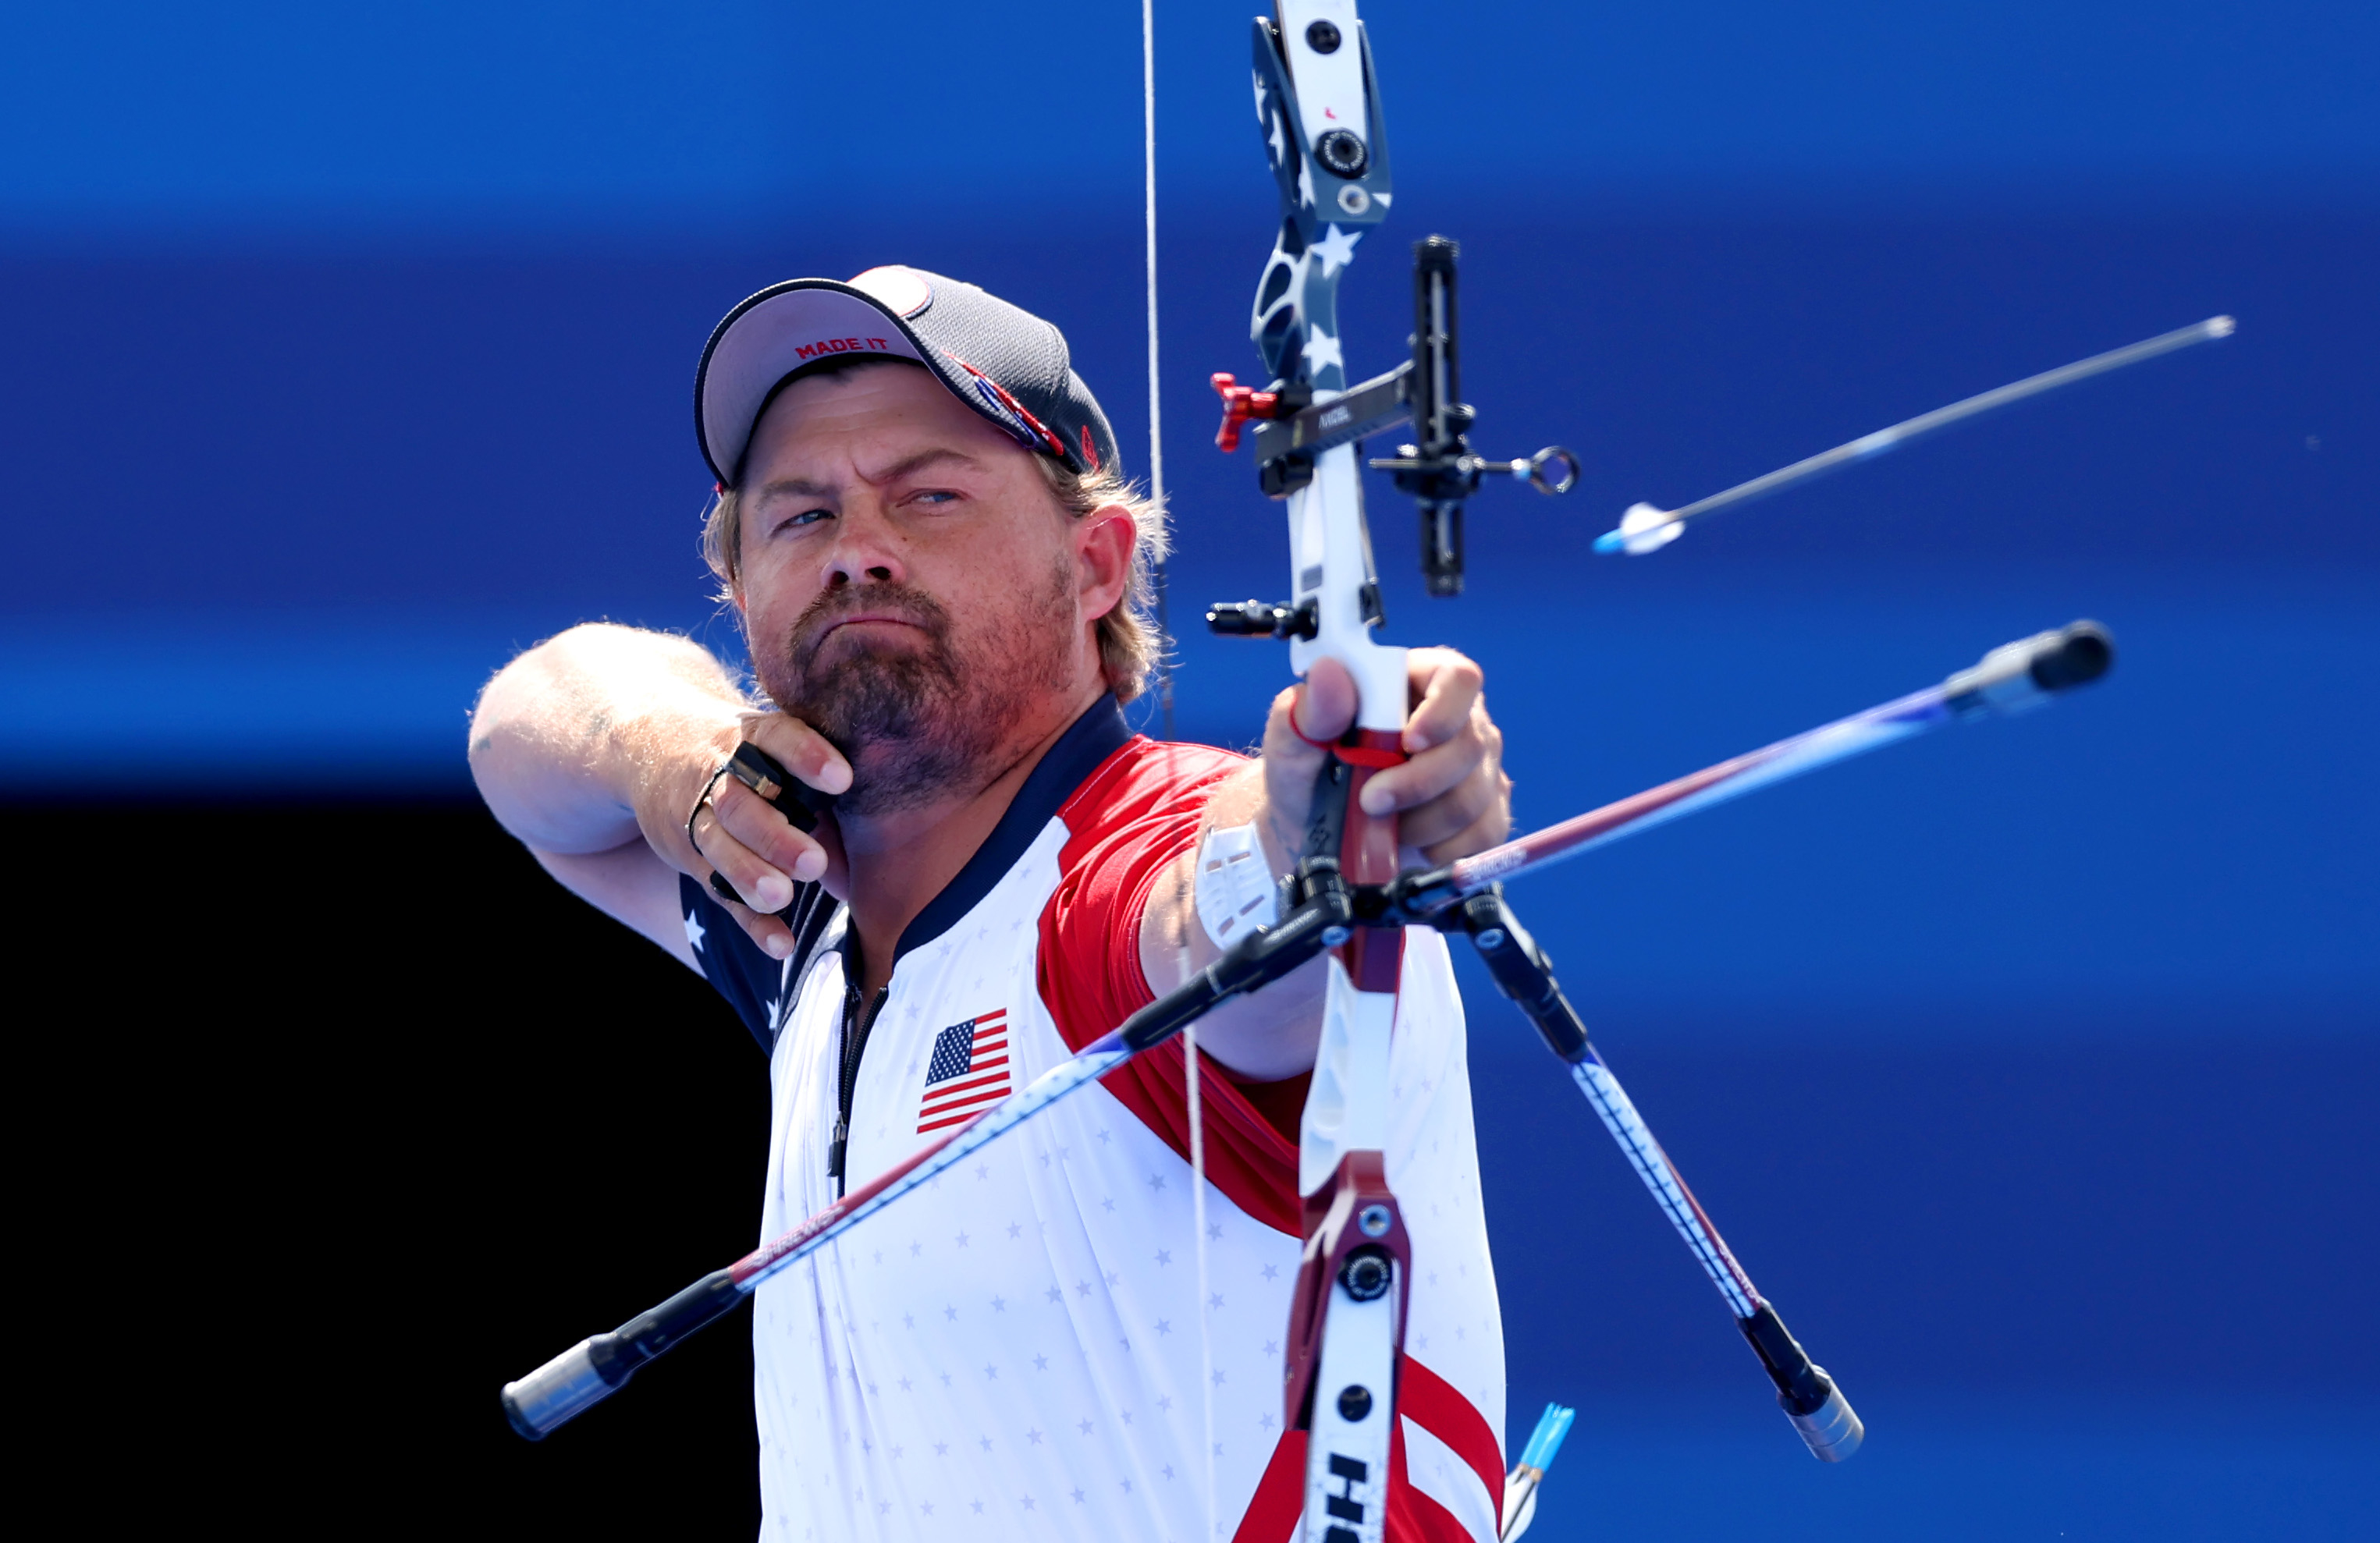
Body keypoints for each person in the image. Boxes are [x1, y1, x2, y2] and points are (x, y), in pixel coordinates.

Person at [470, 265, 1516, 1541]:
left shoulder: (1125, 865)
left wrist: (1324, 823)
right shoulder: (791, 909)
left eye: (930, 495)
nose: (858, 546)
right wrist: (666, 755)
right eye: (798, 516)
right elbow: (524, 748)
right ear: (739, 594)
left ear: (1095, 565)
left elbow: (1231, 925)